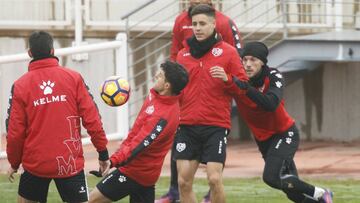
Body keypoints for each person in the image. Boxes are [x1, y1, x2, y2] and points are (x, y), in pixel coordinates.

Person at [6, 31, 110, 203]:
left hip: (35, 165)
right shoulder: (74, 78)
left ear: (30, 54)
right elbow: (92, 120)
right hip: (69, 163)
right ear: (53, 51)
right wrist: (103, 153)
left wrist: (14, 163)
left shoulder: (20, 86)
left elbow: (15, 131)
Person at [157, 1, 244, 202]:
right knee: (183, 182)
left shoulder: (228, 52)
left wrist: (227, 79)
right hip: (186, 125)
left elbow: (243, 86)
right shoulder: (183, 55)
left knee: (214, 179)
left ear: (214, 25)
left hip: (215, 125)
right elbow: (174, 88)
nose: (197, 28)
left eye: (202, 24)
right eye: (195, 24)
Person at [233, 41, 333, 203]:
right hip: (263, 140)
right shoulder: (240, 79)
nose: (248, 64)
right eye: (244, 60)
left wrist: (245, 88)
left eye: (253, 60)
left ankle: (321, 193)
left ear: (263, 62)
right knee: (292, 192)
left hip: (284, 133)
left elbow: (271, 104)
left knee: (271, 178)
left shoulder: (273, 75)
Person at [88, 61, 189, 203]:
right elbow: (136, 130)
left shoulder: (163, 116)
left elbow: (138, 144)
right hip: (146, 174)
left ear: (167, 86)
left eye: (160, 76)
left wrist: (113, 161)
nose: (155, 76)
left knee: (93, 199)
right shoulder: (156, 96)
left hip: (135, 172)